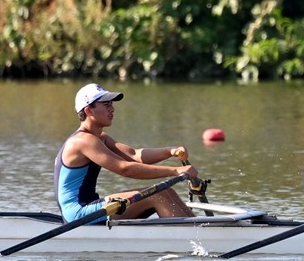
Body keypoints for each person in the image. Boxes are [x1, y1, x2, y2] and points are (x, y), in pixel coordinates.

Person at [55, 84, 200, 222]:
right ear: (88, 110)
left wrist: (169, 151)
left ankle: (198, 233)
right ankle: (195, 239)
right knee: (160, 194)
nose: (112, 109)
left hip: (90, 205)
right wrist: (176, 170)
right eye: (106, 105)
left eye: (111, 104)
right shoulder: (83, 141)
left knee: (166, 193)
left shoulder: (100, 138)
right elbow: (125, 168)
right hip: (78, 214)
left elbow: (134, 155)